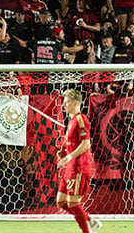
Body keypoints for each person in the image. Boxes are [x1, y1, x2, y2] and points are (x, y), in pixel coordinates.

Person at [56, 88, 101, 233]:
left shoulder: (81, 119)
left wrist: (69, 156)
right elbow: (74, 143)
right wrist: (64, 152)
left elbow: (86, 143)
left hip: (80, 167)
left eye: (66, 102)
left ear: (75, 103)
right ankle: (90, 221)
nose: (64, 105)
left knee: (73, 203)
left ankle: (87, 230)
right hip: (71, 167)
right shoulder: (71, 120)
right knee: (61, 202)